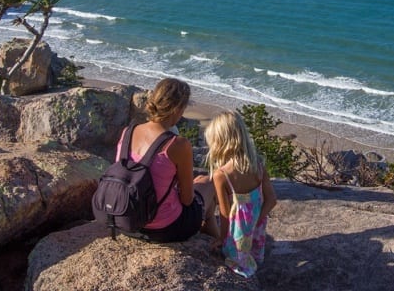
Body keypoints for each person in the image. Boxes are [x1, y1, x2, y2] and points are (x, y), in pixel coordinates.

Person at [116, 77, 219, 242]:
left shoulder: (128, 132)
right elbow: (187, 199)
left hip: (126, 218)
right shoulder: (177, 144)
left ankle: (212, 235)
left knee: (199, 180)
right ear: (178, 108)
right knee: (208, 182)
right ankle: (216, 241)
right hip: (164, 228)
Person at [205, 111, 277, 277]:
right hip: (256, 229)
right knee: (254, 254)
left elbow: (224, 214)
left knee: (233, 256)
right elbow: (271, 200)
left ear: (219, 142)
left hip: (237, 235)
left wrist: (221, 238)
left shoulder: (221, 175)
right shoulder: (258, 165)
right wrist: (256, 221)